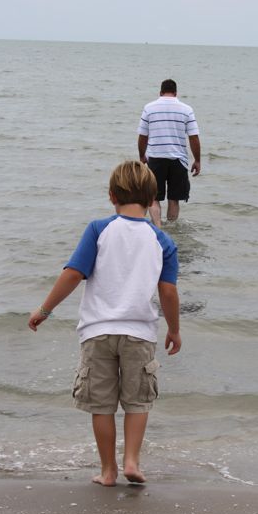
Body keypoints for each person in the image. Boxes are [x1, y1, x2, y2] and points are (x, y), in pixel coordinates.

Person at [28, 160, 181, 487]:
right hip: (139, 334)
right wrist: (174, 329)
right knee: (138, 401)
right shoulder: (162, 240)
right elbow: (168, 292)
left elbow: (73, 274)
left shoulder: (99, 229)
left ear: (112, 196)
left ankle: (108, 470)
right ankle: (132, 461)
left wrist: (45, 309)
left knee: (102, 404)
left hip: (97, 332)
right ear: (152, 199)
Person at [138, 79, 201, 228]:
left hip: (155, 158)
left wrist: (142, 156)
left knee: (154, 198)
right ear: (176, 93)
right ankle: (172, 229)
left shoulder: (149, 108)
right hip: (178, 159)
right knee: (174, 198)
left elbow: (142, 136)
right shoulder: (186, 109)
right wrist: (197, 160)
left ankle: (157, 227)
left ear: (160, 92)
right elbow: (193, 137)